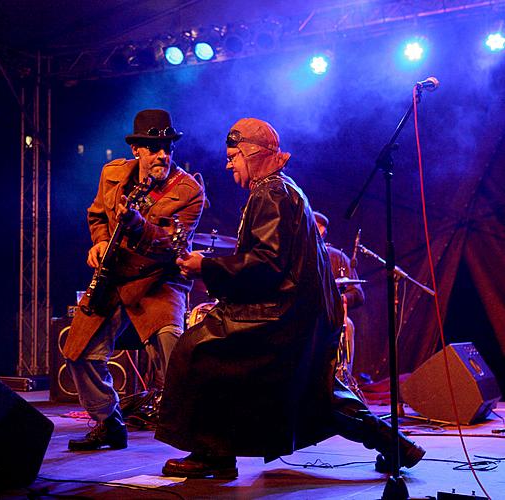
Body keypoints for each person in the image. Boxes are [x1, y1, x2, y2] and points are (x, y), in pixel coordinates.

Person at [156, 118, 425, 478]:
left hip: (283, 316)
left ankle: (213, 453)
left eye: (233, 155)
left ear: (252, 154)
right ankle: (397, 447)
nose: (228, 164)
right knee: (321, 394)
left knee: (198, 349)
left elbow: (267, 262)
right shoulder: (282, 189)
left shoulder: (271, 194)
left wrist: (207, 266)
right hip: (303, 314)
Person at [63, 109, 205, 451]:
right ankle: (108, 422)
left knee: (173, 354)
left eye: (167, 147)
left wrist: (139, 225)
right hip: (113, 273)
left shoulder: (189, 190)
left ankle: (203, 440)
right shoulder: (112, 174)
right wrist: (98, 241)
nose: (162, 155)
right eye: (154, 147)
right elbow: (96, 213)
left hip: (159, 279)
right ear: (137, 150)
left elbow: (175, 242)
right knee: (77, 352)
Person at [314, 211, 364, 378]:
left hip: (329, 316)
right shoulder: (293, 254)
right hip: (300, 314)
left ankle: (342, 381)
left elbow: (357, 293)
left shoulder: (337, 257)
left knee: (347, 325)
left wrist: (340, 299)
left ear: (321, 231)